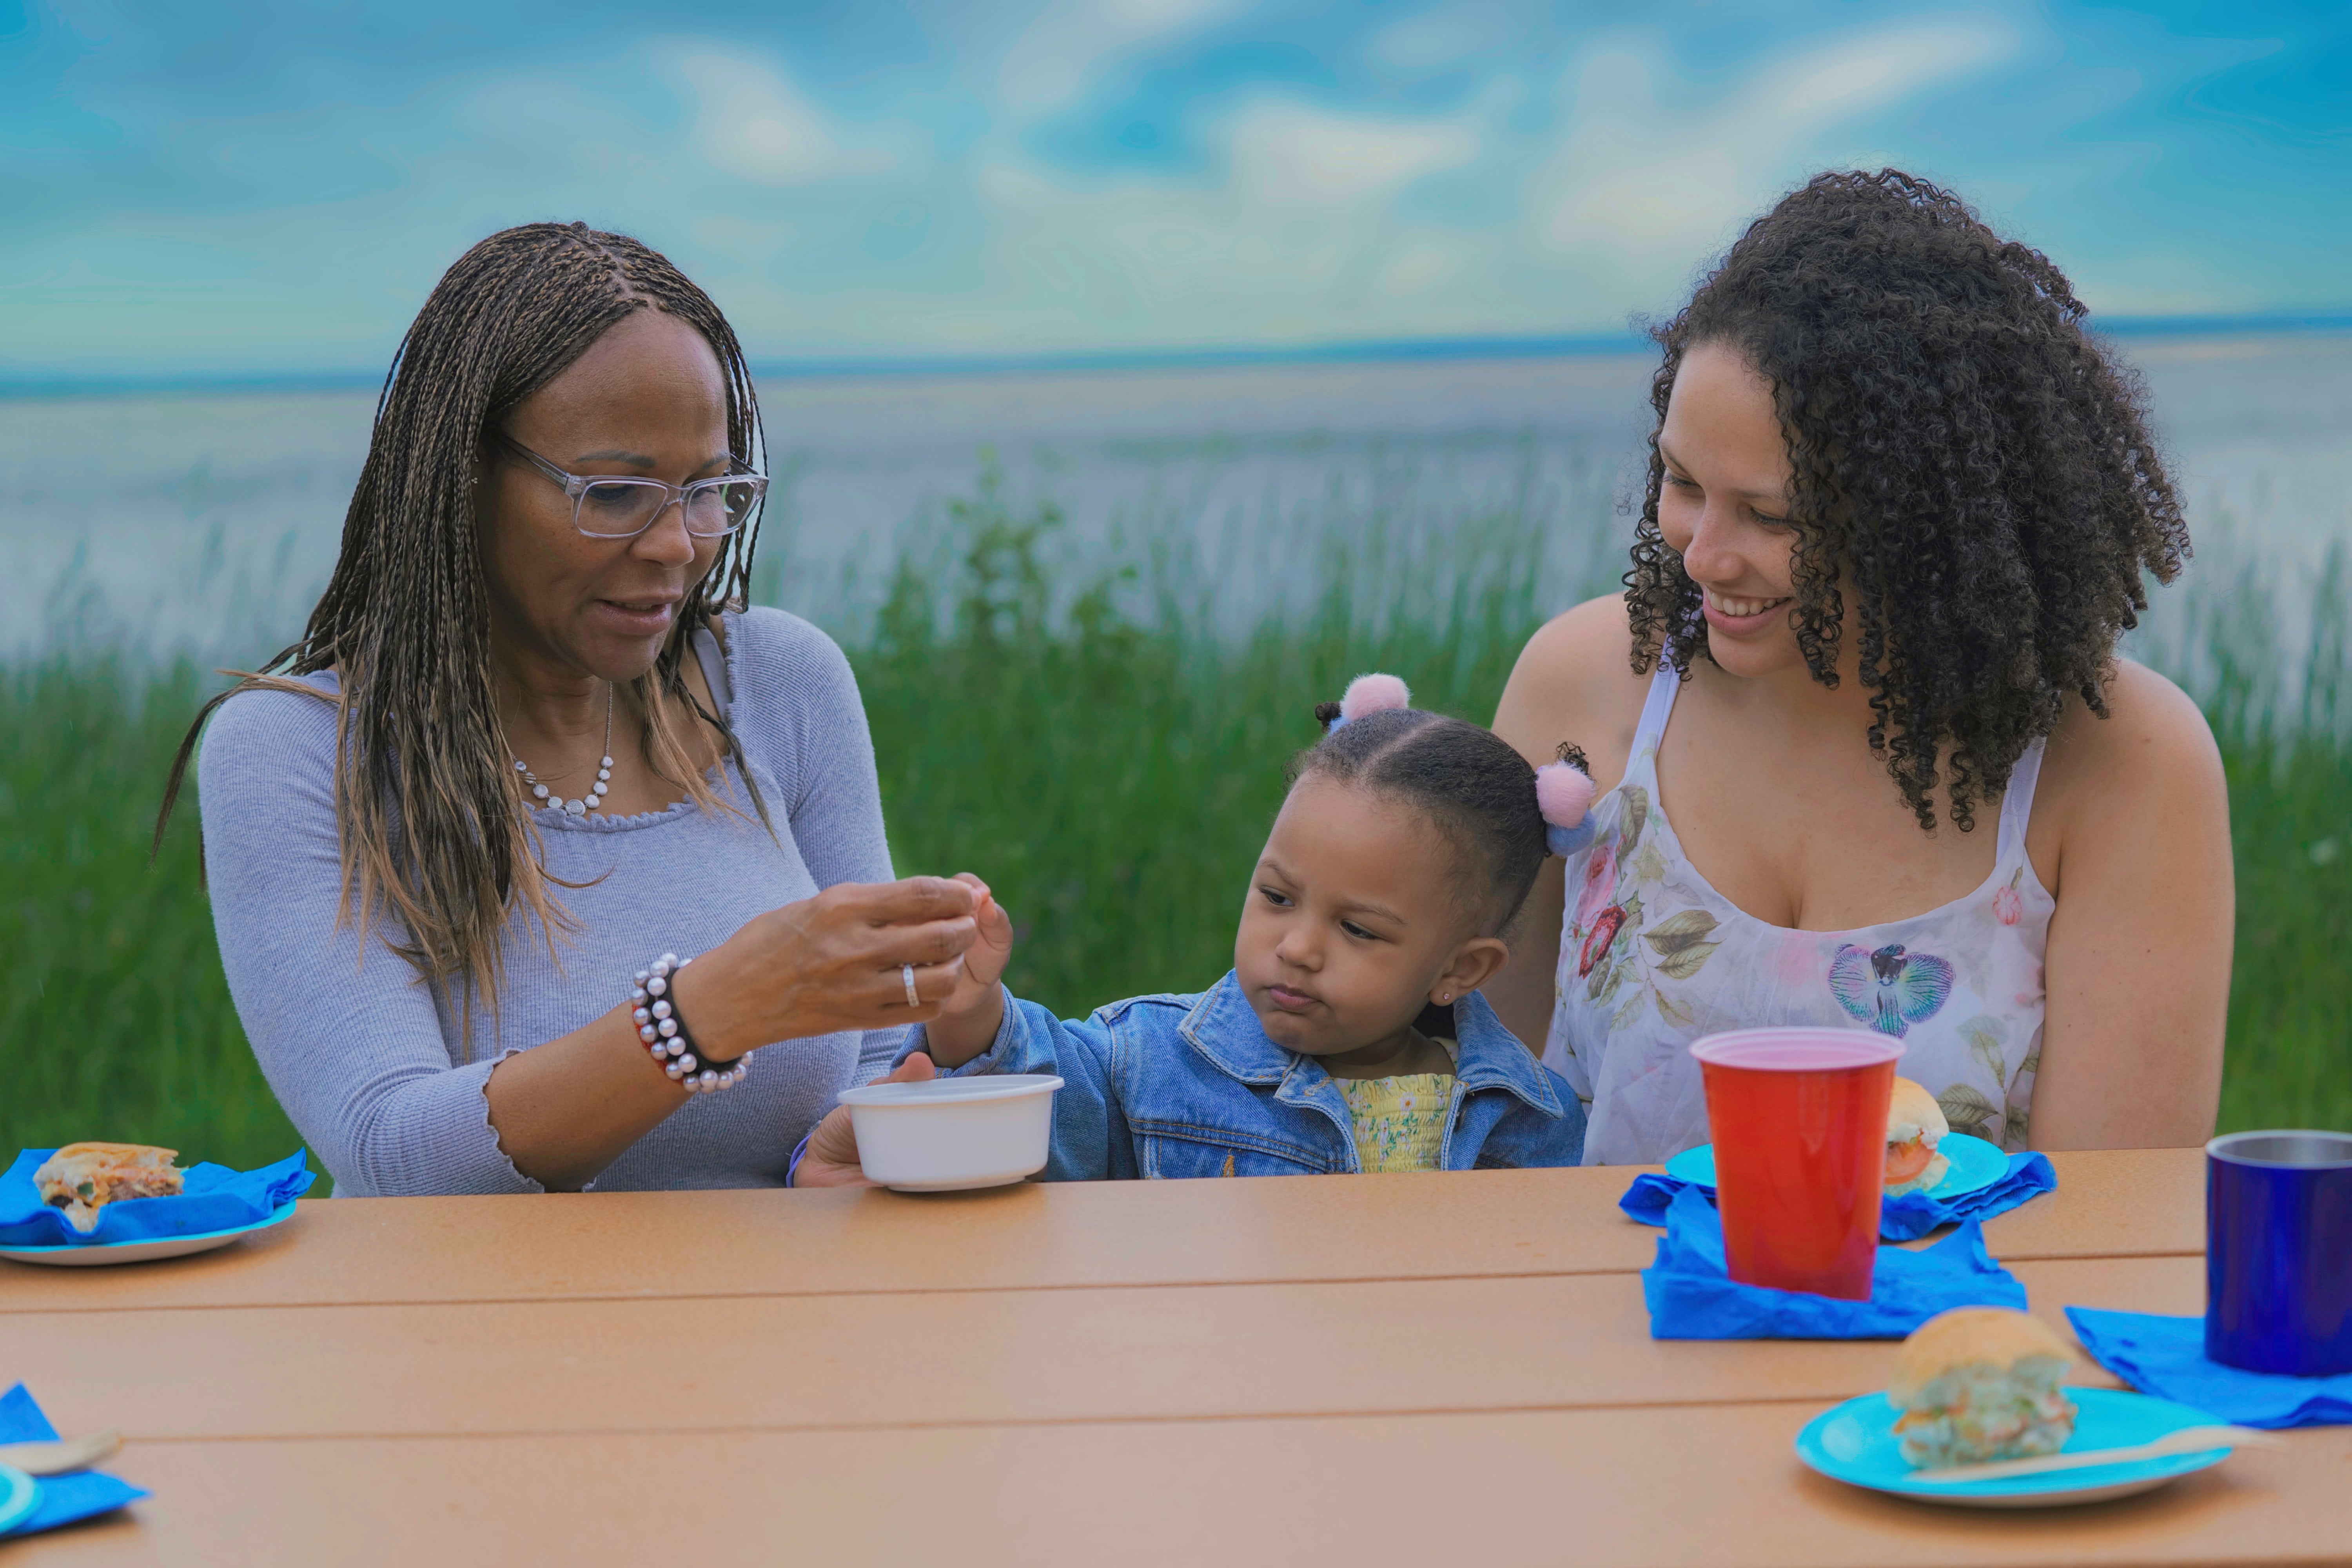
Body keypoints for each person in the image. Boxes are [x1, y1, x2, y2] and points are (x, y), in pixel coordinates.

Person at [161, 222, 982, 1195]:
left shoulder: (781, 682)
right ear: (464, 476)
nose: (678, 544)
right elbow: (389, 1151)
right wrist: (701, 1013)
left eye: (711, 490)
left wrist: (840, 1142)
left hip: (784, 1330)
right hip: (462, 1343)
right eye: (617, 492)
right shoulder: (293, 752)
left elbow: (876, 1056)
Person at [1482, 170, 2232, 1164]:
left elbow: (2116, 1229)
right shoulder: (1582, 682)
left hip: (1966, 1323)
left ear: (1931, 518)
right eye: (1683, 481)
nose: (1701, 555)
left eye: (1772, 514)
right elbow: (1461, 1103)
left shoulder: (2124, 760)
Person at [793, 675, 1594, 1185]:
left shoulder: (1531, 1119)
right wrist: (971, 1009)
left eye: (1356, 928)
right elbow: (1053, 1105)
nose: (1299, 945)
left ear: (1461, 968)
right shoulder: (1155, 1062)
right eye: (1277, 895)